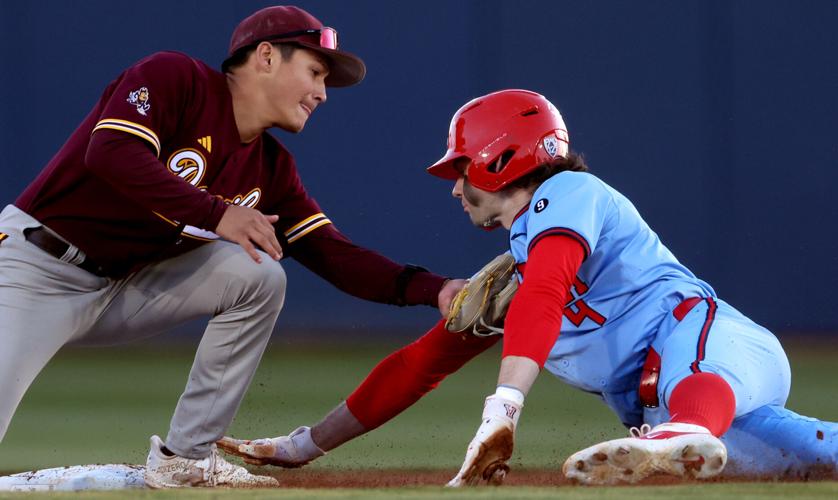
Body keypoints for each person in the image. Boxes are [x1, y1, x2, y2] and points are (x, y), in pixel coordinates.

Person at [220, 89, 837, 484]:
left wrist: (503, 409)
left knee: (689, 387)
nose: (455, 188)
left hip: (719, 349)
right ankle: (692, 434)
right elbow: (422, 363)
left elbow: (546, 292)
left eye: (461, 169)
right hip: (681, 411)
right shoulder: (517, 273)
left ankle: (683, 431)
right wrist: (304, 445)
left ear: (498, 157)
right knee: (802, 455)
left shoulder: (568, 194)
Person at [0, 5, 463, 489]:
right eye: (314, 72)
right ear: (265, 56)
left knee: (258, 276)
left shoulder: (270, 168)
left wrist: (436, 289)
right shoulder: (175, 78)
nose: (322, 93)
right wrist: (218, 213)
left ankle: (186, 459)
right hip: (37, 269)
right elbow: (111, 152)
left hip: (126, 287)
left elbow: (333, 254)